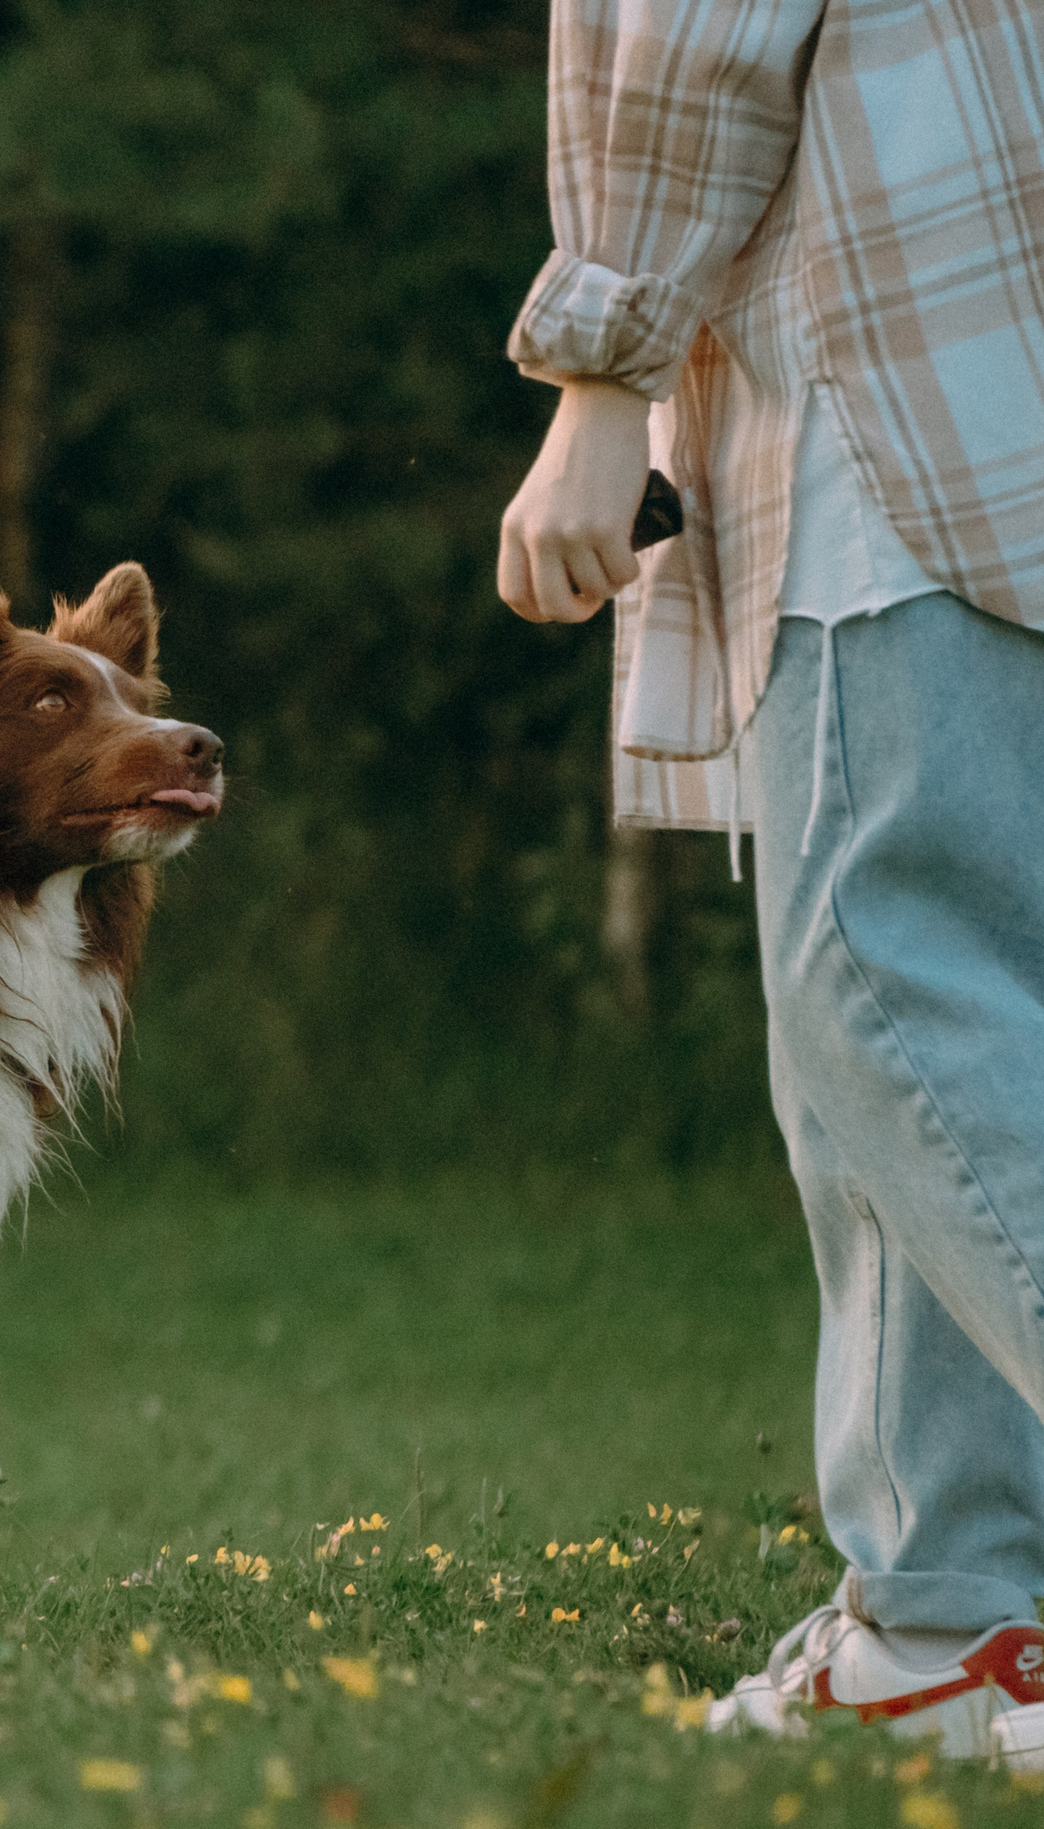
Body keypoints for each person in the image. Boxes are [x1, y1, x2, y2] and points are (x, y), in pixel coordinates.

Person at [498, 0, 1044, 1764]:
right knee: (906, 1039)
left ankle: (953, 1604)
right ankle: (950, 1623)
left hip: (893, 400)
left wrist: (603, 373)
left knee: (883, 985)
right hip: (986, 372)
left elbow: (699, 25)